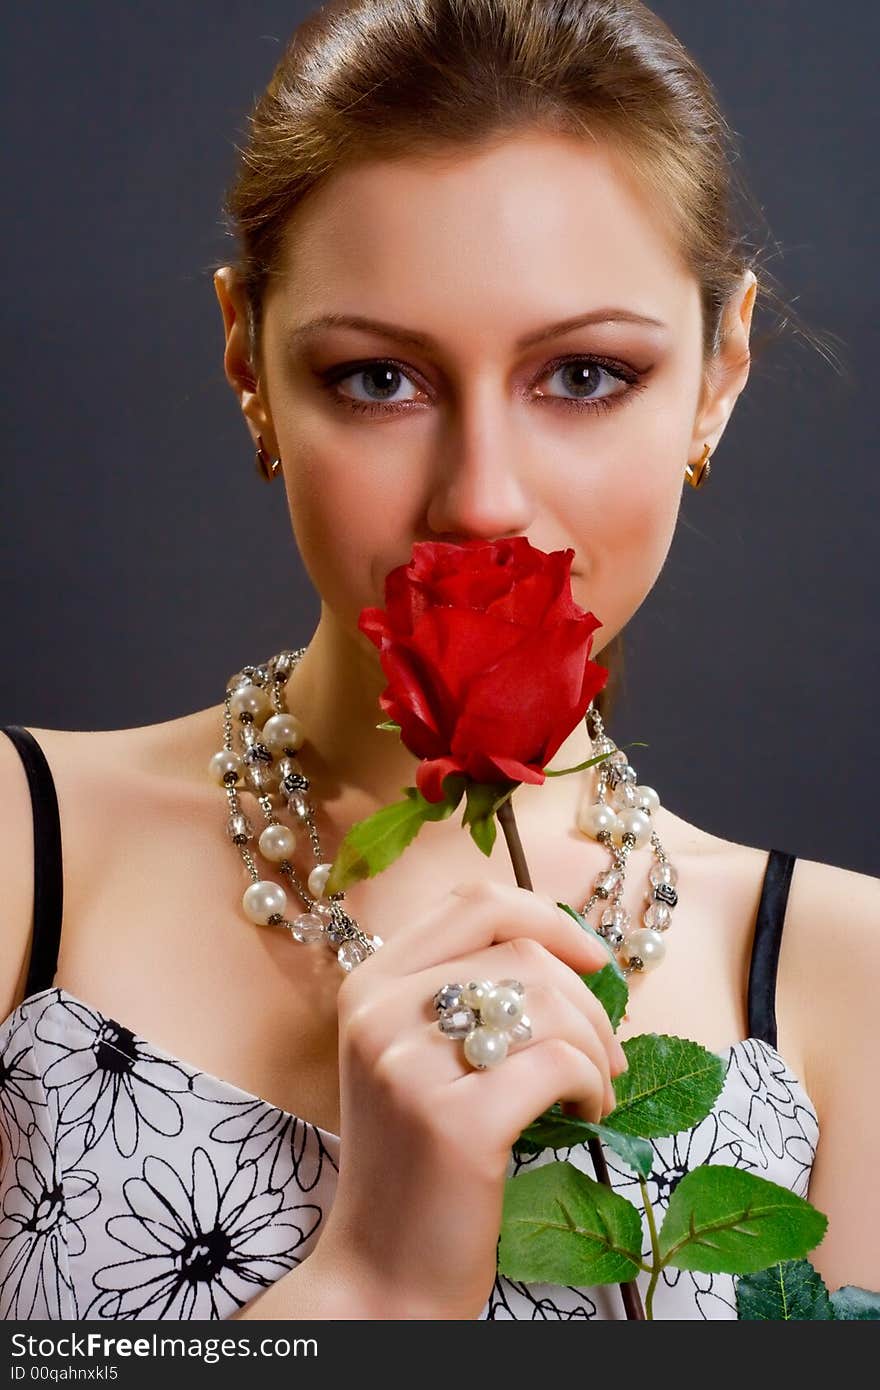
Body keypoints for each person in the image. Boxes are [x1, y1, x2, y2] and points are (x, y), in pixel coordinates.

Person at [1, 0, 878, 1323]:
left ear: (719, 373)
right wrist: (374, 1283)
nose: (481, 502)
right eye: (376, 380)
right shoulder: (24, 859)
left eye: (584, 374)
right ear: (249, 360)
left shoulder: (846, 980)